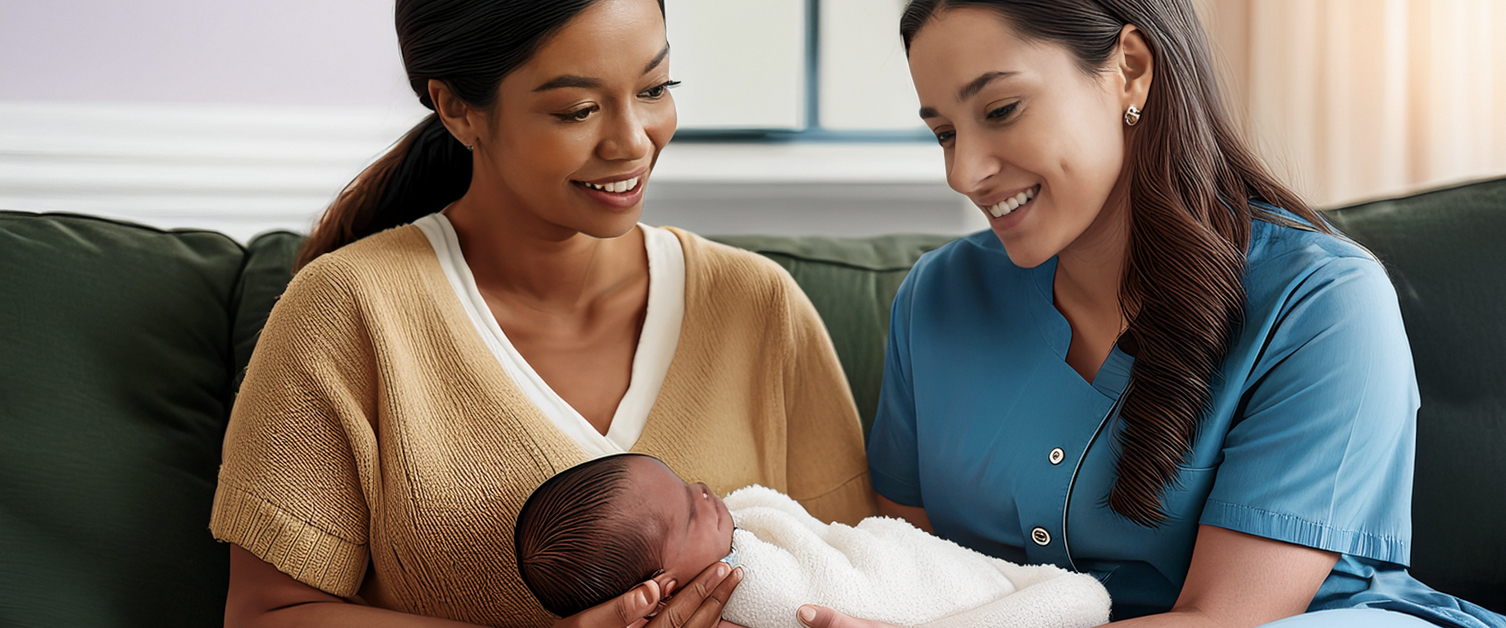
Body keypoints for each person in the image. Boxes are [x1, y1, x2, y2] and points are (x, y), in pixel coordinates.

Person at [800, 1, 1506, 628]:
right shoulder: (938, 299)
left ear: (1130, 70)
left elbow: (1228, 618)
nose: (965, 172)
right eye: (945, 133)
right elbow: (903, 566)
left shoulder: (1321, 303)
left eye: (1001, 110)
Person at [209, 1, 875, 626]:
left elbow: (867, 576)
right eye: (578, 109)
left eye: (654, 88)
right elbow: (267, 614)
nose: (633, 141)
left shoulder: (757, 304)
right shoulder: (349, 311)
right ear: (457, 108)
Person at [512, 454, 1109, 628]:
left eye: (685, 480)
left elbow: (822, 537)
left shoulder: (741, 538)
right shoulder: (747, 596)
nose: (703, 493)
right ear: (657, 591)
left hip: (923, 571)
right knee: (1073, 602)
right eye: (690, 518)